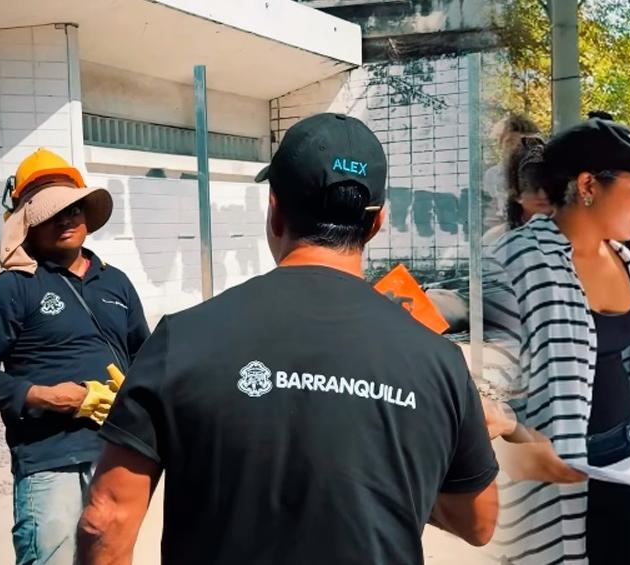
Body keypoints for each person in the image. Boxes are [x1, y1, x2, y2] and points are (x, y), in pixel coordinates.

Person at [75, 113, 499, 564]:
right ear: (376, 224)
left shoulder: (181, 339)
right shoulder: (438, 361)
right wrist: (386, 472)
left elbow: (106, 519)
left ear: (275, 209)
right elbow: (478, 521)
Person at [486, 117, 630, 565]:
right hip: (560, 482)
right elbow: (483, 393)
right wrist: (521, 455)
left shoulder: (625, 259)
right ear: (588, 185)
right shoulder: (515, 263)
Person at [0, 148, 148, 565]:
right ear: (28, 222)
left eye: (74, 207)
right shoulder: (13, 287)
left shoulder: (116, 281)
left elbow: (143, 357)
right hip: (50, 461)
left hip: (118, 456)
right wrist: (47, 396)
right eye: (51, 211)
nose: (66, 219)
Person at [482, 135, 551, 244]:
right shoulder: (495, 240)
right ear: (515, 191)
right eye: (531, 185)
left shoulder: (574, 235)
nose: (543, 194)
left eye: (550, 184)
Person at [484, 114, 542, 230]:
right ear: (500, 144)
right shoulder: (492, 175)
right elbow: (490, 214)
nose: (515, 149)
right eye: (510, 142)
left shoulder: (540, 171)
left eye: (521, 144)